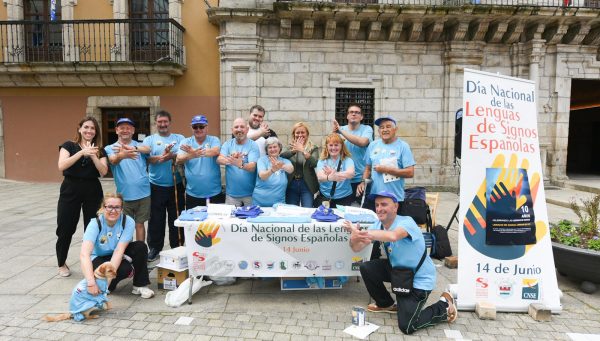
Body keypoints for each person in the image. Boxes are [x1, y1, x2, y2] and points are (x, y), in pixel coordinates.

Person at [344, 191, 456, 335]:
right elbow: (357, 248)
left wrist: (362, 233)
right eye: (377, 205)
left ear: (395, 207)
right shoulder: (377, 224)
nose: (379, 209)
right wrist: (354, 236)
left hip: (418, 279)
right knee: (367, 267)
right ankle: (387, 304)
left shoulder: (406, 222)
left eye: (384, 204)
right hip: (399, 273)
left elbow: (393, 236)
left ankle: (444, 306)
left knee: (407, 326)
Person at [56, 117, 108, 277]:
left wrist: (93, 156)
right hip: (70, 188)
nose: (89, 131)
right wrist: (81, 152)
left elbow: (104, 171)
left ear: (95, 132)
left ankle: (92, 262)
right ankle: (61, 262)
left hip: (92, 189)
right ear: (79, 129)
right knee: (65, 227)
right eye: (86, 127)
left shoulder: (100, 150)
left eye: (92, 128)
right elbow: (62, 166)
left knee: (93, 227)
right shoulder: (68, 145)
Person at [80, 193, 154, 299]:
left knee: (140, 246)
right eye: (109, 206)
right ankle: (105, 285)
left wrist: (108, 279)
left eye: (117, 207)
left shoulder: (128, 221)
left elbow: (119, 251)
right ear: (103, 207)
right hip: (99, 257)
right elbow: (84, 255)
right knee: (122, 270)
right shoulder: (95, 224)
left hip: (116, 253)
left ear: (122, 208)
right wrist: (91, 283)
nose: (113, 211)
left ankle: (139, 285)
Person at [142, 111, 185, 262]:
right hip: (156, 186)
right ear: (156, 123)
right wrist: (161, 158)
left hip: (176, 185)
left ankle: (177, 246)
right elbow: (147, 159)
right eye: (160, 122)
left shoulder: (179, 138)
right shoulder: (149, 140)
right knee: (156, 219)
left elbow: (183, 154)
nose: (163, 124)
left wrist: (171, 156)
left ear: (170, 122)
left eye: (165, 121)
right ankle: (154, 248)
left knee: (177, 217)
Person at [104, 118, 151, 243]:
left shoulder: (138, 145)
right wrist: (122, 155)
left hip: (144, 193)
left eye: (128, 128)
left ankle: (141, 253)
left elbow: (148, 149)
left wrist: (134, 148)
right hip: (124, 195)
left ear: (133, 130)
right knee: (126, 226)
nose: (125, 130)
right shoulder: (110, 148)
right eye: (122, 128)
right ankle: (127, 253)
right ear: (116, 130)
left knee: (140, 224)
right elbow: (113, 160)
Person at [357, 116, 415, 212]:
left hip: (395, 198)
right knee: (375, 226)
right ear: (379, 131)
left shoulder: (403, 146)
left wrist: (386, 170)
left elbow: (410, 172)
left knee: (392, 227)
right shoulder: (373, 145)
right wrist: (363, 182)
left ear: (395, 129)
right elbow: (367, 168)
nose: (385, 130)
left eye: (388, 127)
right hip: (375, 197)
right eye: (381, 127)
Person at [176, 114, 224, 208]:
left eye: (201, 126)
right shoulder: (186, 142)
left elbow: (215, 151)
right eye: (195, 127)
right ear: (191, 128)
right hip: (193, 195)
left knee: (214, 222)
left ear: (207, 127)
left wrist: (195, 152)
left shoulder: (214, 139)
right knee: (194, 222)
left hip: (214, 193)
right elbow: (178, 159)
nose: (198, 129)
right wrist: (192, 155)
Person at [332, 103, 373, 201]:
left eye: (357, 112)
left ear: (361, 116)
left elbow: (362, 142)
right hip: (343, 179)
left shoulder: (367, 129)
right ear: (347, 116)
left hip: (361, 179)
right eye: (351, 112)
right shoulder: (340, 130)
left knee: (361, 211)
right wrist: (334, 134)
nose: (354, 114)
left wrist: (340, 131)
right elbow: (332, 150)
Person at [217, 118, 260, 206]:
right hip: (231, 195)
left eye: (242, 127)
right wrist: (232, 159)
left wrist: (240, 164)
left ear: (247, 129)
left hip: (250, 194)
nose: (239, 129)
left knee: (250, 218)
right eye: (236, 127)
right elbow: (219, 159)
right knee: (231, 219)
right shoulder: (227, 144)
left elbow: (252, 167)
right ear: (232, 130)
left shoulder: (253, 145)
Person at [281, 122, 319, 208]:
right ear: (294, 134)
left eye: (302, 132)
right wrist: (293, 151)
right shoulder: (289, 147)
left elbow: (315, 163)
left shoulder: (313, 148)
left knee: (308, 209)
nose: (300, 134)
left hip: (307, 184)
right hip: (292, 183)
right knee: (292, 211)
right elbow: (282, 157)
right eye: (297, 132)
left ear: (307, 134)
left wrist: (303, 150)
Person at [315, 133, 355, 208]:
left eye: (336, 145)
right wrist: (330, 177)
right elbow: (320, 177)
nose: (333, 148)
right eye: (330, 145)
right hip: (325, 198)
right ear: (327, 146)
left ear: (341, 146)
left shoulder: (347, 160)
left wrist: (334, 174)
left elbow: (351, 173)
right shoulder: (322, 161)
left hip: (344, 198)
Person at [252, 137, 294, 207]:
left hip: (279, 203)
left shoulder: (285, 161)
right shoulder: (262, 160)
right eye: (270, 147)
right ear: (266, 150)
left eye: (275, 147)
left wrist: (281, 166)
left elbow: (291, 169)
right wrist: (272, 170)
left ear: (279, 148)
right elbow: (262, 176)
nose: (273, 149)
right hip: (259, 203)